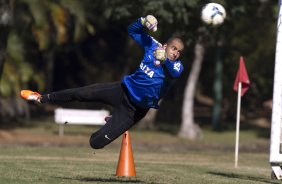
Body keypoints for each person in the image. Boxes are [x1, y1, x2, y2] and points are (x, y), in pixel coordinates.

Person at [20, 15, 184, 149]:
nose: (176, 53)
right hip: (122, 90)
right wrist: (143, 21)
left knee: (96, 143)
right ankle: (42, 98)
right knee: (81, 93)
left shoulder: (176, 66)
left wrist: (165, 60)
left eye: (179, 51)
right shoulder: (153, 46)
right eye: (173, 48)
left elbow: (174, 73)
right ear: (165, 45)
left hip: (134, 110)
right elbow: (132, 31)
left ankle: (112, 120)